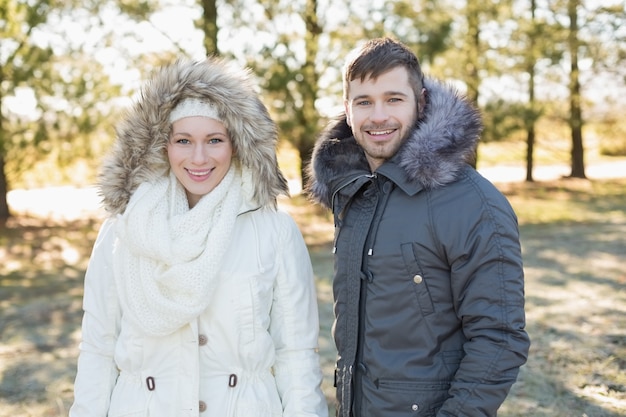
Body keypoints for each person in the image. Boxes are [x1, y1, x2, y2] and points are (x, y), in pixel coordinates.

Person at [69, 57, 328, 417]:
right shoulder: (122, 232)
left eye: (215, 140)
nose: (199, 157)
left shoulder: (275, 232)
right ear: (164, 146)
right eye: (184, 140)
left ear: (236, 144)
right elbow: (97, 349)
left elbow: (296, 353)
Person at [307, 37, 530, 416]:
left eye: (394, 99)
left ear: (421, 101)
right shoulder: (353, 194)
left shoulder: (473, 203)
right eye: (364, 102)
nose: (378, 116)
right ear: (347, 110)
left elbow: (499, 339)